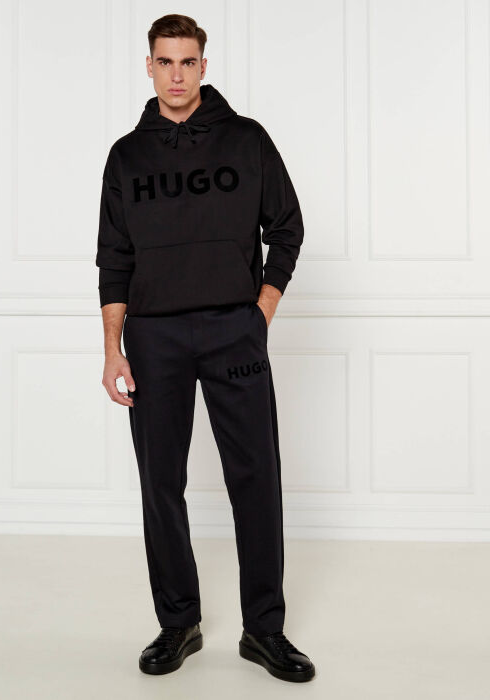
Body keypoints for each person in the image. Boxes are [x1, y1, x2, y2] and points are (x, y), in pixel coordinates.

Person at [95, 13, 315, 683]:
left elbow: (287, 228)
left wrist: (259, 314)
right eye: (165, 62)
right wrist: (113, 348)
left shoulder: (246, 140)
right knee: (161, 481)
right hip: (154, 337)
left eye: (187, 61)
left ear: (203, 66)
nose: (177, 75)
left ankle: (264, 630)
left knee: (256, 477)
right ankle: (178, 622)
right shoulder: (127, 156)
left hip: (232, 330)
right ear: (149, 66)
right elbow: (114, 258)